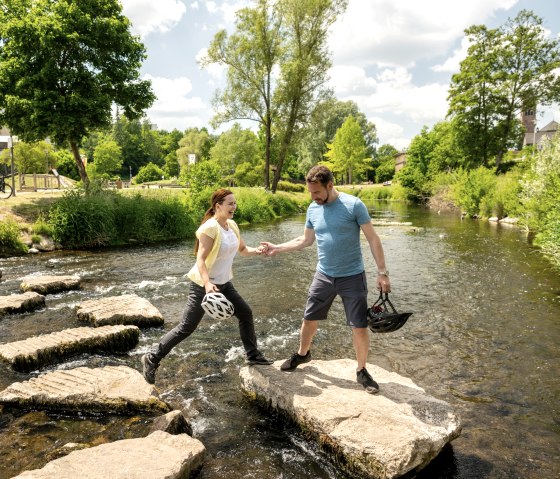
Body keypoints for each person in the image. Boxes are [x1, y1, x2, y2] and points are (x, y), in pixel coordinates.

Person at [260, 165, 391, 394]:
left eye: (317, 192)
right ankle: (303, 354)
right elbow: (305, 240)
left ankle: (361, 370)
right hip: (324, 275)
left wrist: (382, 272)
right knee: (309, 319)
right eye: (310, 192)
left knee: (359, 326)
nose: (313, 197)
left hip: (352, 276)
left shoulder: (353, 205)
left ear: (330, 185)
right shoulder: (313, 208)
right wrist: (277, 248)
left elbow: (373, 238)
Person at [141, 188, 272, 385]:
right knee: (186, 327)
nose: (234, 207)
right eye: (230, 203)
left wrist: (259, 251)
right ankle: (152, 357)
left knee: (245, 313)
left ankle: (252, 355)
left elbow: (243, 250)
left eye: (235, 203)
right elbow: (200, 259)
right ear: (218, 206)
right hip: (203, 286)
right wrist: (207, 283)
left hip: (224, 284)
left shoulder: (232, 225)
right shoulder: (210, 228)